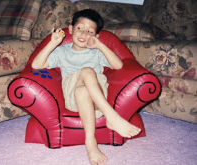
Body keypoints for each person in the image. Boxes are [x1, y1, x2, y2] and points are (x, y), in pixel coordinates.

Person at [32, 9, 141, 165]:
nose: (83, 33)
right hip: (72, 98)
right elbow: (36, 65)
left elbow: (118, 65)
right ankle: (112, 117)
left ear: (95, 36)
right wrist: (53, 42)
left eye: (90, 31)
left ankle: (91, 143)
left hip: (97, 100)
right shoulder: (61, 52)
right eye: (80, 28)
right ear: (70, 29)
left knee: (85, 86)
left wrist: (100, 46)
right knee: (87, 72)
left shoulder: (96, 52)